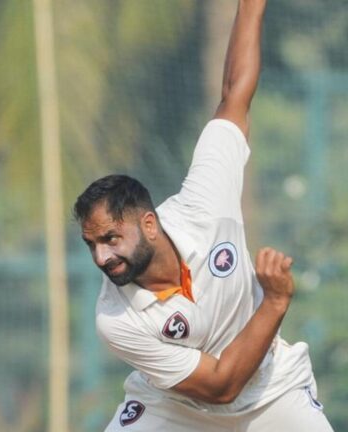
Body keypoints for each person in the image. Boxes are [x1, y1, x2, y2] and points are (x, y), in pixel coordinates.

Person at [74, 1, 334, 430]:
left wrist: (251, 6)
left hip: (272, 390)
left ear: (149, 224)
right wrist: (275, 301)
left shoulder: (204, 203)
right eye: (92, 245)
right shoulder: (114, 318)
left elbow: (235, 94)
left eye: (111, 239)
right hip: (177, 408)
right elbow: (219, 387)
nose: (102, 257)